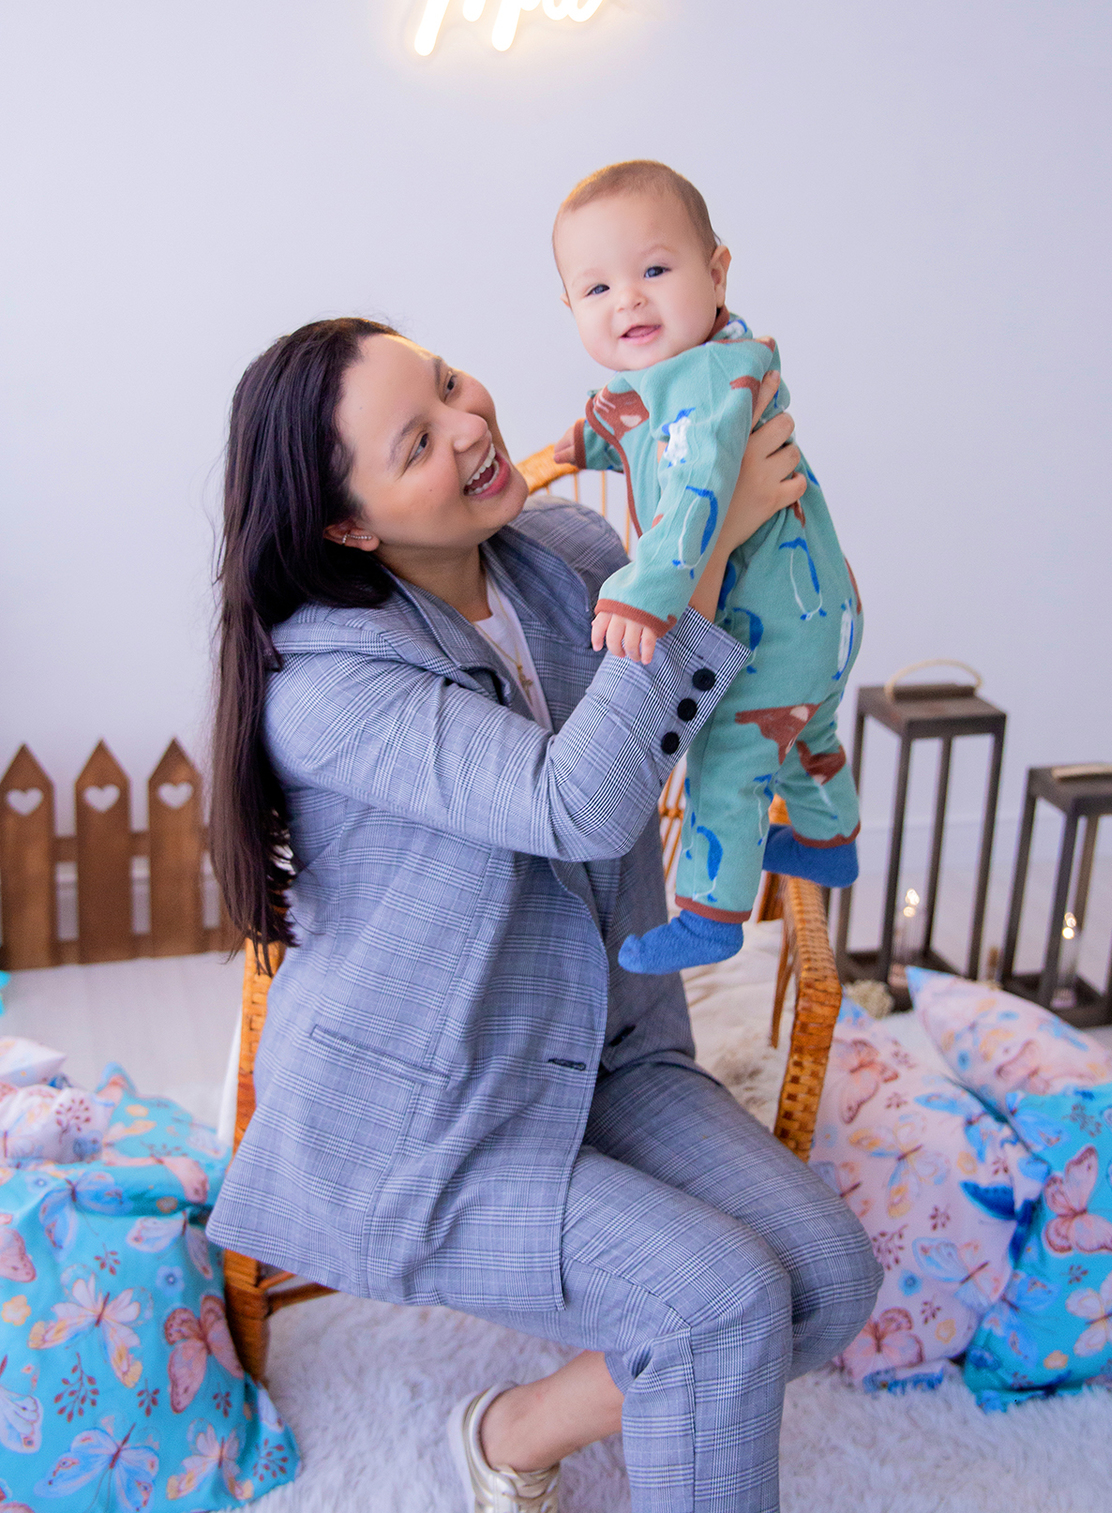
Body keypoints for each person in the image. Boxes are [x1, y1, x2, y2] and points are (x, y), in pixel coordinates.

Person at [206, 317, 881, 1513]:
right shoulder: (327, 687)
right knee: (716, 1299)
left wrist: (724, 507)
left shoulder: (567, 554)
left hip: (606, 1048)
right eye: (418, 441)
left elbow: (671, 719)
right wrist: (699, 548)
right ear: (348, 527)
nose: (471, 425)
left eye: (449, 383)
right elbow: (577, 805)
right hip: (436, 1123)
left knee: (826, 1277)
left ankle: (510, 1430)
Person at [553, 160, 863, 976]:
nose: (628, 300)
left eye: (655, 271)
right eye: (597, 288)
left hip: (770, 630)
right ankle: (829, 839)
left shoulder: (708, 377)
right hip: (817, 617)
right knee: (809, 732)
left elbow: (693, 494)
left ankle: (710, 914)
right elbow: (645, 431)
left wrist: (644, 595)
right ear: (571, 307)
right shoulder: (701, 368)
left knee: (729, 760)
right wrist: (586, 443)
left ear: (716, 272)